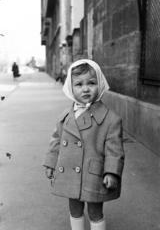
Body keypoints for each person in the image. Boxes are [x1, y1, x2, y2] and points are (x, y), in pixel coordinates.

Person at [43, 59, 125, 230]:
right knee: (74, 208)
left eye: (91, 83)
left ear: (100, 84)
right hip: (69, 171)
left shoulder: (110, 119)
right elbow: (57, 139)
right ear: (70, 88)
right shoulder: (65, 116)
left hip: (93, 174)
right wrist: (51, 162)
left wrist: (112, 172)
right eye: (79, 84)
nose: (85, 88)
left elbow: (114, 150)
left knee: (95, 211)